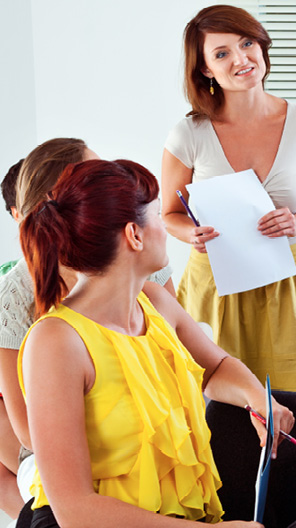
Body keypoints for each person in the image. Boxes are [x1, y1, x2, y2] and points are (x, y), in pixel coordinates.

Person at [18, 158, 294, 527]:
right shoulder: (56, 341)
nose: (167, 229)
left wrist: (256, 397)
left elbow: (214, 368)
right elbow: (75, 509)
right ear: (134, 235)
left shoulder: (155, 300)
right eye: (157, 218)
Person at [162, 4, 296, 394]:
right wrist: (189, 235)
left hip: (290, 279)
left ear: (262, 47)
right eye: (222, 53)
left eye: (247, 44)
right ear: (206, 69)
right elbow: (169, 214)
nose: (241, 59)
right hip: (217, 283)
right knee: (218, 402)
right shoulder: (188, 133)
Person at [0, 138, 175, 503]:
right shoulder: (22, 309)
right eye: (93, 172)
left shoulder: (149, 274)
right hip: (65, 447)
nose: (108, 178)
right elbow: (31, 434)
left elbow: (179, 359)